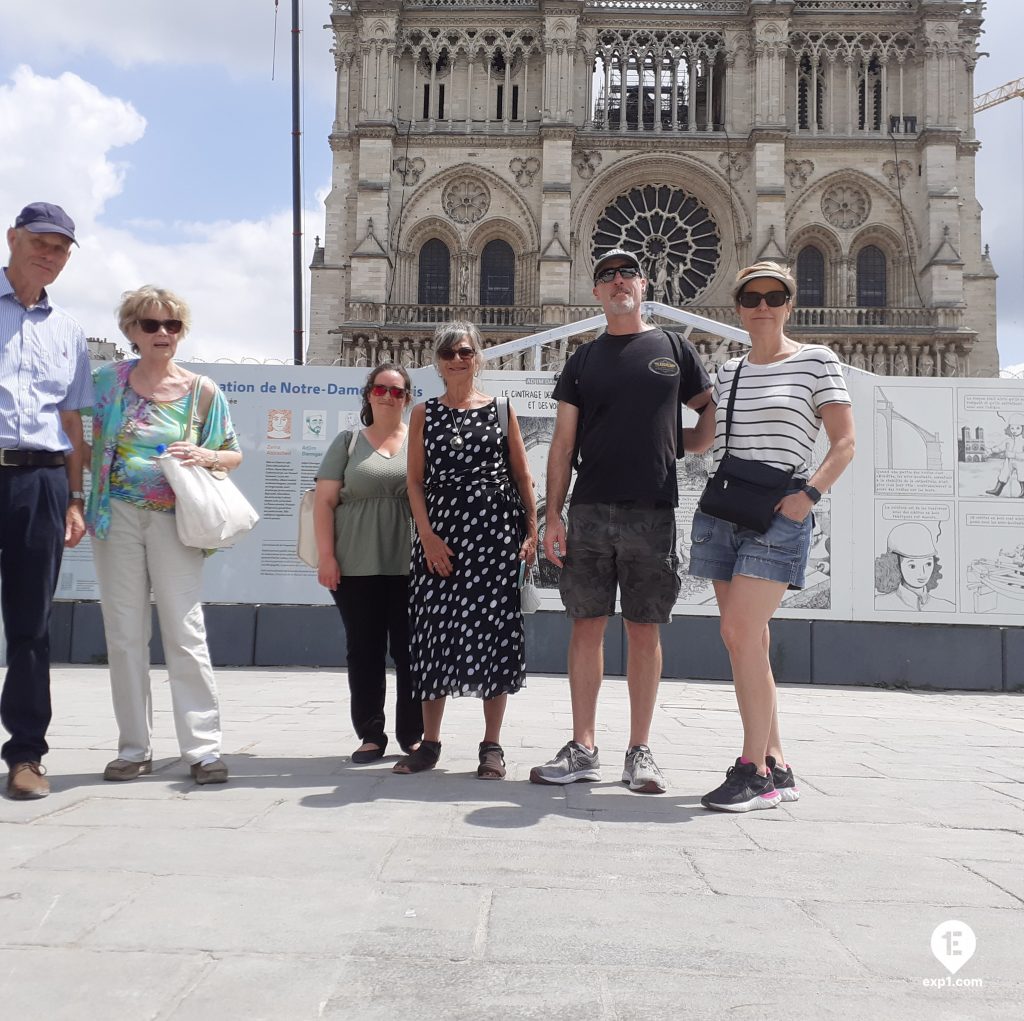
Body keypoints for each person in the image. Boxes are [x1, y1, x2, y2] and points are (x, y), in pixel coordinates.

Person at [533, 247, 714, 795]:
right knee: (585, 627)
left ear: (643, 283)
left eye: (627, 273)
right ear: (596, 292)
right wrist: (553, 517)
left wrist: (680, 444)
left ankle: (640, 751)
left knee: (643, 629)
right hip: (588, 509)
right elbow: (562, 444)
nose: (618, 283)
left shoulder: (673, 349)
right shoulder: (583, 361)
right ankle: (583, 747)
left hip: (651, 510)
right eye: (607, 276)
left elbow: (706, 409)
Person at [688, 261, 855, 811]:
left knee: (739, 633)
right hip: (725, 510)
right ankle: (777, 764)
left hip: (780, 512)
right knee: (749, 641)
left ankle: (751, 769)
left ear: (789, 303)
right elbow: (703, 440)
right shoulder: (730, 370)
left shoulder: (816, 362)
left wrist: (808, 495)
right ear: (737, 306)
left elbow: (844, 443)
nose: (763, 304)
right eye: (752, 296)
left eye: (774, 295)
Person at [85, 286, 242, 785]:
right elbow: (73, 429)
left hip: (176, 520)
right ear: (130, 330)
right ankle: (134, 748)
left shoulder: (202, 390)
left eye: (172, 326)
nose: (162, 334)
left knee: (185, 631)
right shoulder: (107, 382)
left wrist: (206, 456)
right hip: (116, 516)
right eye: (151, 325)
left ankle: (202, 750)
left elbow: (233, 453)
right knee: (125, 633)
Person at [395, 322, 537, 779]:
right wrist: (428, 536)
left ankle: (491, 746)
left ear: (479, 357)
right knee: (434, 633)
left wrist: (531, 530)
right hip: (441, 539)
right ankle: (430, 743)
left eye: (466, 350)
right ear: (437, 361)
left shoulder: (500, 409)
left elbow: (521, 476)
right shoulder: (423, 413)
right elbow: (414, 481)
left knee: (494, 634)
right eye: (448, 352)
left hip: (495, 537)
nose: (458, 358)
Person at [1, 202, 91, 800]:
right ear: (13, 238)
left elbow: (72, 422)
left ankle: (26, 754)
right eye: (42, 242)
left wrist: (75, 497)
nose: (50, 255)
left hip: (42, 480)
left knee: (31, 624)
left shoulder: (69, 332)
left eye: (61, 248)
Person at [314, 363, 423, 762]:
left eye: (397, 391)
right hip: (355, 564)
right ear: (369, 394)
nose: (388, 396)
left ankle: (412, 734)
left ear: (407, 398)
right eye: (381, 389)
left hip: (411, 566)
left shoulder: (419, 441)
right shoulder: (347, 442)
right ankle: (371, 734)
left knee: (412, 651)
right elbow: (324, 503)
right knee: (364, 651)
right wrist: (327, 557)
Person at [874, 522, 954, 611]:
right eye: (912, 566)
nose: (922, 573)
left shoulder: (947, 608)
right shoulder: (879, 604)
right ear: (895, 565)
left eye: (928, 564)